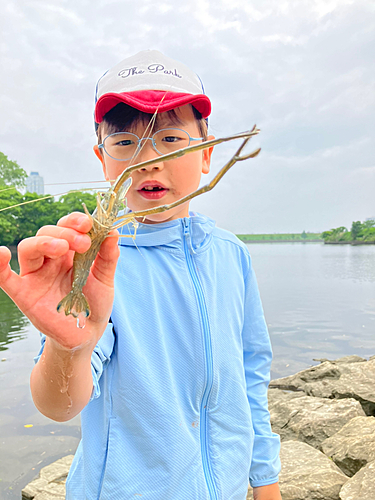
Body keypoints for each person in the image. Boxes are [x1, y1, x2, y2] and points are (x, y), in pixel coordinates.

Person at [0, 50, 281, 500]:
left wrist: (264, 478)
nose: (148, 160)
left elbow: (251, 371)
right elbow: (60, 405)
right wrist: (66, 347)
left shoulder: (233, 255)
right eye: (125, 144)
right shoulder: (93, 264)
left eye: (171, 139)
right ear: (103, 161)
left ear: (207, 154)